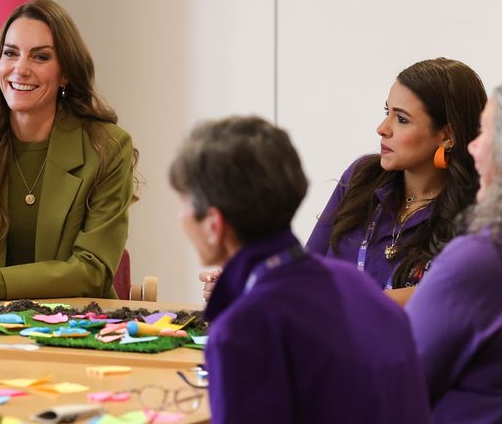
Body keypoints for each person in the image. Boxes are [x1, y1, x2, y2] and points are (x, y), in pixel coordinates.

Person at [171, 116, 431, 424]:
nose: (181, 218)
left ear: (214, 225)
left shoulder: (243, 327)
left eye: (184, 205)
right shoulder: (353, 284)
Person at [201, 58, 485, 302]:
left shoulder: (478, 212)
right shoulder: (362, 177)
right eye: (388, 112)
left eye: (402, 119)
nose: (382, 129)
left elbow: (439, 299)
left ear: (447, 135)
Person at [0, 0, 136, 299]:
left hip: (74, 330)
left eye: (40, 57)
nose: (20, 69)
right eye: (10, 53)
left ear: (65, 73)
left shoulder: (106, 147)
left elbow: (92, 269)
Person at [407, 84, 502, 423]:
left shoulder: (480, 256)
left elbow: (404, 379)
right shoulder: (360, 179)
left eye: (486, 132)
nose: (473, 145)